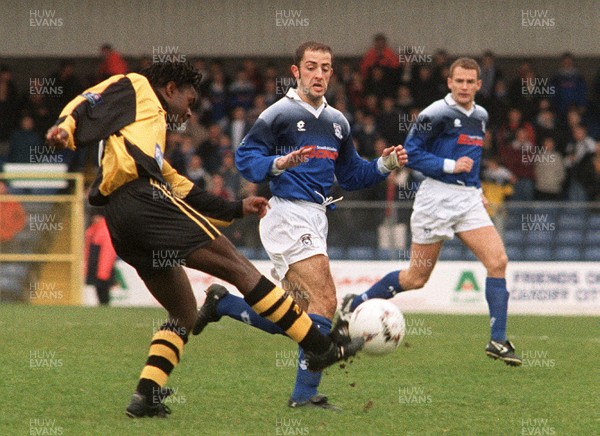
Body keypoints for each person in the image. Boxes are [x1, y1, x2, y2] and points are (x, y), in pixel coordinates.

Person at [45, 60, 362, 418]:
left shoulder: (143, 136)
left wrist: (235, 207)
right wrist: (65, 126)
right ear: (170, 89)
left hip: (121, 220)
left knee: (183, 312)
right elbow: (92, 97)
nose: (190, 111)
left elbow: (182, 186)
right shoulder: (138, 86)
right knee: (238, 267)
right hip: (143, 201)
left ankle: (145, 395)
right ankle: (319, 344)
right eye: (189, 101)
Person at [192, 41, 407, 410]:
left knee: (294, 317)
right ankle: (305, 394)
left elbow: (351, 174)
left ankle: (223, 304)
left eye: (325, 67)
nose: (319, 74)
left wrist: (384, 166)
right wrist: (279, 163)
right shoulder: (280, 113)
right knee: (326, 300)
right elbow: (246, 159)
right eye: (311, 67)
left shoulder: (338, 121)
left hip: (314, 216)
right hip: (288, 215)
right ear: (296, 71)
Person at [341, 58, 523, 366]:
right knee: (415, 278)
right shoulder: (434, 113)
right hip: (436, 199)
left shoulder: (480, 115)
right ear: (450, 83)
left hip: (467, 200)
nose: (465, 87)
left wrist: (477, 191)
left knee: (498, 261)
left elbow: (473, 159)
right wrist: (450, 166)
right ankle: (356, 303)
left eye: (470, 82)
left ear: (479, 85)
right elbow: (409, 154)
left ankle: (498, 340)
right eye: (459, 81)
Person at [84, 210, 117, 305]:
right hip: (96, 266)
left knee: (103, 288)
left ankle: (104, 304)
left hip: (102, 266)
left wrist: (103, 271)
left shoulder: (103, 230)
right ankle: (103, 304)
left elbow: (107, 253)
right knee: (99, 288)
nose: (94, 219)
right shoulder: (92, 230)